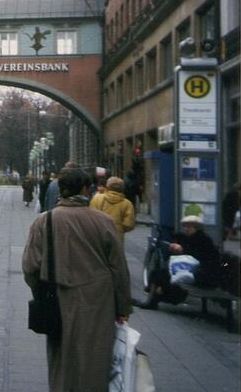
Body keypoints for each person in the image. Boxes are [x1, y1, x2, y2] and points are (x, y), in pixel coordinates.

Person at [22, 166, 132, 392]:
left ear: (61, 190)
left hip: (59, 300)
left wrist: (42, 292)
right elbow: (118, 268)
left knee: (62, 361)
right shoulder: (103, 221)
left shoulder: (45, 221)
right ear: (85, 189)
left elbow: (30, 267)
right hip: (99, 303)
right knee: (95, 361)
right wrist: (122, 308)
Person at [138, 215, 222, 309]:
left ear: (196, 227)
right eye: (185, 226)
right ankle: (153, 299)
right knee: (159, 274)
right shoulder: (192, 238)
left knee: (161, 275)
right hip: (196, 271)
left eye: (189, 227)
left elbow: (197, 257)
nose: (186, 229)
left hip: (201, 274)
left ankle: (153, 300)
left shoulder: (202, 240)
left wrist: (182, 250)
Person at [88, 176, 136, 243]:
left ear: (107, 186)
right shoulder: (127, 204)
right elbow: (129, 224)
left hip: (100, 234)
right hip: (117, 236)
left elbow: (91, 218)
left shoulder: (97, 198)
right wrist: (120, 229)